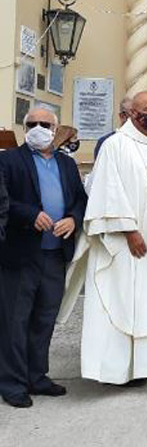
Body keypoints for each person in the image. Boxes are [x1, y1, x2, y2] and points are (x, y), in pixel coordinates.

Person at [58, 92, 147, 386]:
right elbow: (109, 192)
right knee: (127, 301)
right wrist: (130, 232)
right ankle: (117, 370)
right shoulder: (115, 146)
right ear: (132, 114)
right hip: (128, 245)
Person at [0, 109, 87, 408]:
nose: (39, 128)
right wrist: (30, 214)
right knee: (15, 320)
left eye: (45, 124)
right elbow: (4, 201)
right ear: (24, 129)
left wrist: (74, 219)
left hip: (54, 254)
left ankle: (37, 376)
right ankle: (12, 383)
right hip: (21, 254)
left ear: (56, 129)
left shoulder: (66, 163)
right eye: (32, 124)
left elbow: (80, 199)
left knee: (44, 319)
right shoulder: (8, 160)